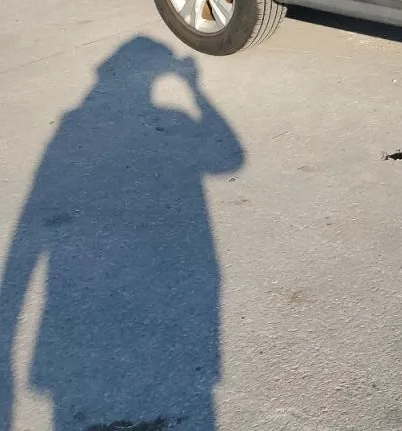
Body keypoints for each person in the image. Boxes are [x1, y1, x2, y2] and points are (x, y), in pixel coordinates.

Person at [0, 37, 243, 431]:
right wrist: (194, 89)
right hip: (175, 312)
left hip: (77, 327)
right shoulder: (102, 123)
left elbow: (34, 215)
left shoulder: (75, 123)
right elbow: (231, 158)